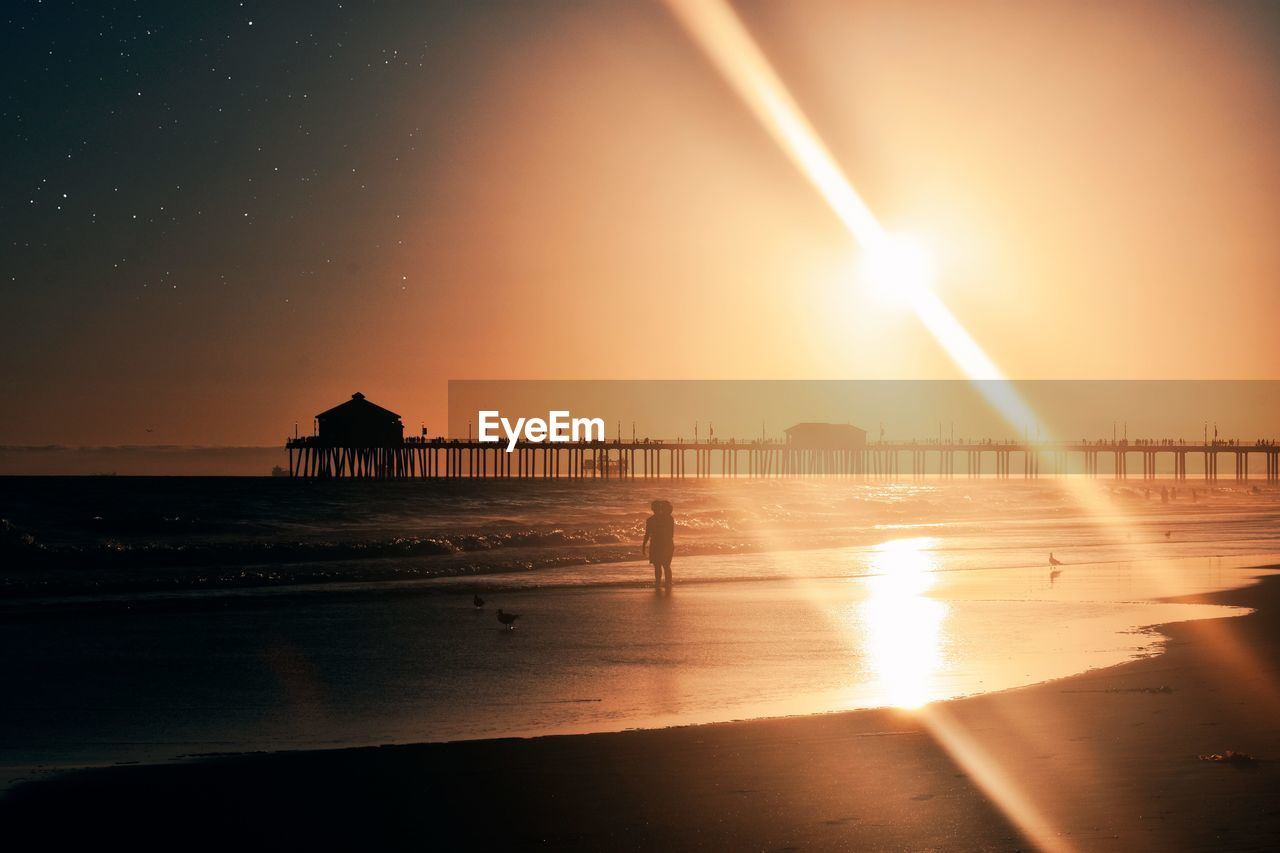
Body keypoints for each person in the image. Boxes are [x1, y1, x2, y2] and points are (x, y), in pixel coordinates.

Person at [642, 499, 675, 589]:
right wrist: (644, 545)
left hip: (663, 544)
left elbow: (670, 534)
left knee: (663, 565)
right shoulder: (654, 519)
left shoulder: (666, 518)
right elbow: (648, 533)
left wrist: (644, 545)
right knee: (661, 565)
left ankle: (665, 584)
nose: (655, 509)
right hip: (660, 544)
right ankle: (662, 583)